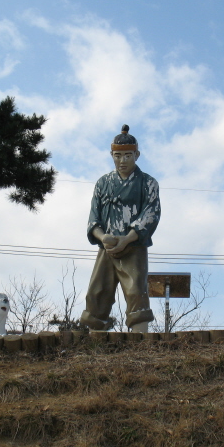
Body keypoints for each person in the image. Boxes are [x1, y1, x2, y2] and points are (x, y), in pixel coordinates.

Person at [80, 125, 161, 332]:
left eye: (127, 155)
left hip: (133, 245)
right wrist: (102, 236)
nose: (122, 161)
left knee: (136, 292)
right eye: (118, 156)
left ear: (137, 155)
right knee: (97, 292)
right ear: (111, 155)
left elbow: (150, 214)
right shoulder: (103, 183)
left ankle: (140, 341)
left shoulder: (148, 183)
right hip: (106, 247)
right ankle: (95, 342)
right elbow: (93, 217)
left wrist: (128, 238)